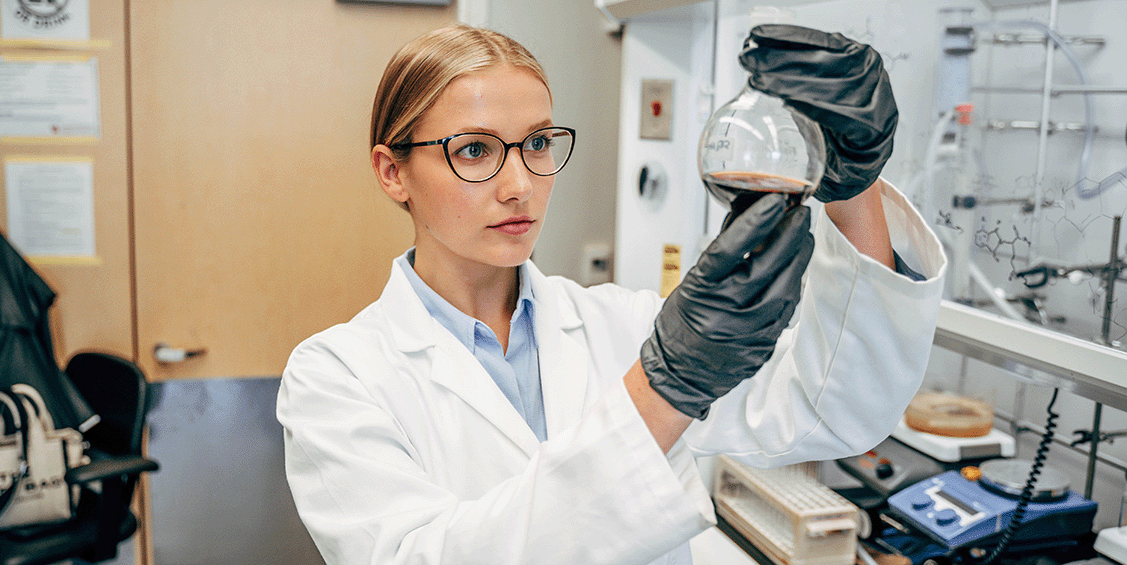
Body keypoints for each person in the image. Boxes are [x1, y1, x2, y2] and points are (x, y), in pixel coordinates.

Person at [277, 24, 946, 564]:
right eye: (476, 151)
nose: (520, 184)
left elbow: (833, 405)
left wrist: (851, 184)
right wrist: (666, 387)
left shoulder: (618, 322)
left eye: (537, 142)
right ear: (392, 171)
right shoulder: (335, 378)